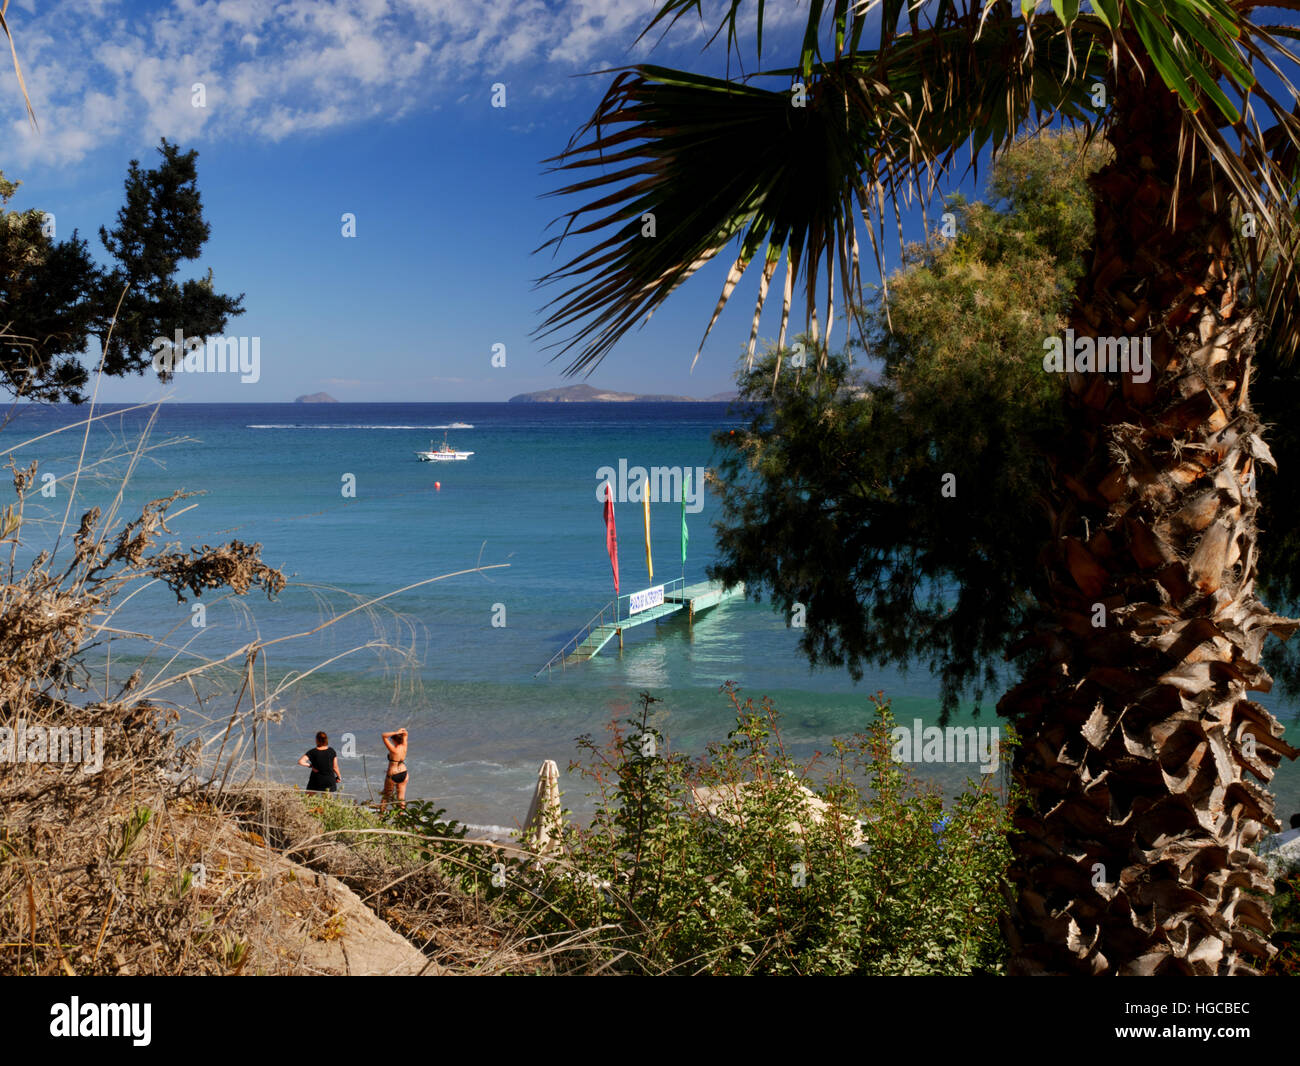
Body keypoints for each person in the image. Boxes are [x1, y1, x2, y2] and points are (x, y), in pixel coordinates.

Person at [380, 728, 408, 812]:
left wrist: (397, 732)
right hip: (404, 773)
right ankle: (402, 818)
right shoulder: (404, 746)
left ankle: (381, 816)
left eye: (392, 740)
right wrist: (402, 731)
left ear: (394, 740)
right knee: (401, 798)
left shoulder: (394, 750)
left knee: (386, 796)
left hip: (393, 775)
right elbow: (406, 734)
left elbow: (384, 736)